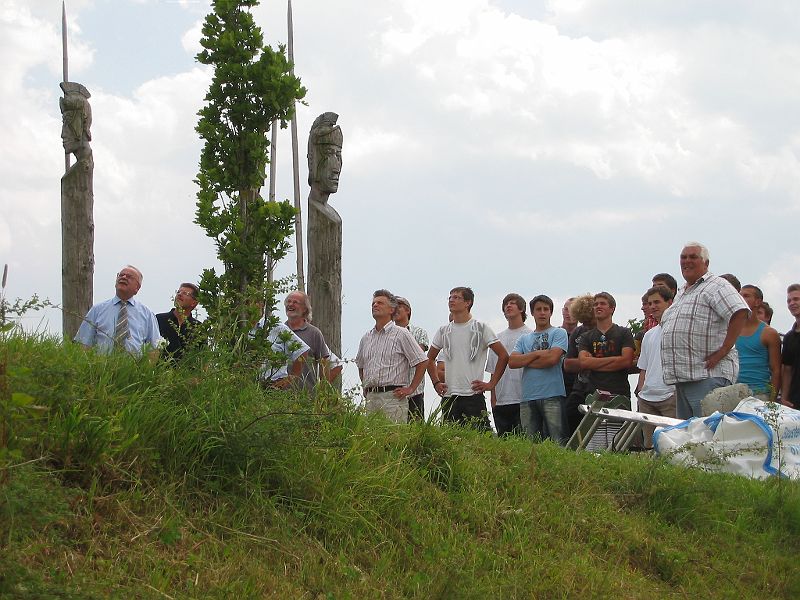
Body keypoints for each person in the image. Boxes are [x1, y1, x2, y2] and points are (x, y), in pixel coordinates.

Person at [660, 242, 749, 419]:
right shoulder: (682, 292)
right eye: (683, 257)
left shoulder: (716, 285)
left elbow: (740, 312)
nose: (687, 261)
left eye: (693, 257)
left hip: (708, 376)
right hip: (684, 379)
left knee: (708, 431)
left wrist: (724, 349)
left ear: (706, 263)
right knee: (690, 433)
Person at [428, 287, 508, 431]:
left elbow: (503, 355)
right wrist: (436, 382)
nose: (451, 300)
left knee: (480, 437)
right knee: (450, 438)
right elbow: (429, 358)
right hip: (449, 395)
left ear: (467, 302)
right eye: (450, 297)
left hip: (473, 394)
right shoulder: (443, 330)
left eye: (456, 297)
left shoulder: (481, 328)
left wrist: (491, 384)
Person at [355, 290, 428, 423]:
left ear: (391, 309)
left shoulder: (401, 334)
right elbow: (360, 365)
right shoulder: (366, 338)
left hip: (393, 397)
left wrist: (411, 388)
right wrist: (365, 385)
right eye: (373, 303)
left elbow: (422, 361)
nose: (375, 305)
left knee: (393, 434)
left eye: (380, 303)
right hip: (371, 397)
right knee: (372, 435)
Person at [509, 295, 568, 443]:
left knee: (558, 442)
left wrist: (526, 360)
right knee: (530, 444)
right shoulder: (524, 338)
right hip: (528, 397)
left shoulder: (559, 333)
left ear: (550, 312)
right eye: (538, 309)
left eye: (546, 309)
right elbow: (513, 362)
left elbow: (552, 359)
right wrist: (537, 354)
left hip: (553, 395)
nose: (542, 313)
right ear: (532, 313)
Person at [74, 265, 160, 358]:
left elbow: (154, 348)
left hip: (134, 366)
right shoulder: (97, 310)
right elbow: (83, 344)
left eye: (129, 276)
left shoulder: (147, 314)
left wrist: (146, 367)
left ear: (137, 288)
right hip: (101, 365)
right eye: (121, 275)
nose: (124, 277)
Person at [635, 286, 676, 449]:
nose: (653, 306)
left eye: (657, 302)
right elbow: (643, 367)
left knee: (672, 445)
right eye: (650, 303)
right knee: (649, 447)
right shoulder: (649, 334)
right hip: (647, 398)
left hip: (670, 395)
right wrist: (640, 392)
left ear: (670, 302)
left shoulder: (677, 329)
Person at [577, 292, 635, 406]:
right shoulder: (586, 337)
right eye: (596, 304)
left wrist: (594, 362)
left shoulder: (624, 333)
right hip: (594, 393)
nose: (598, 306)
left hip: (619, 393)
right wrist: (616, 360)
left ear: (612, 309)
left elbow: (626, 361)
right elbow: (584, 362)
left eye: (603, 303)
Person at [486, 293, 531, 436]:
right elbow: (493, 370)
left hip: (523, 398)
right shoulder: (497, 338)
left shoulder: (530, 335)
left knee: (524, 440)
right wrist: (493, 399)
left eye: (512, 303)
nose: (508, 306)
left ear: (521, 309)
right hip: (501, 400)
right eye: (506, 304)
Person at [735, 285, 781, 399]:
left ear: (757, 302)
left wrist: (772, 401)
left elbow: (776, 370)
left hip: (759, 393)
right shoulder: (731, 330)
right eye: (739, 295)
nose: (741, 298)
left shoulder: (769, 333)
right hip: (733, 392)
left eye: (746, 296)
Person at [563, 294, 597, 435]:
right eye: (583, 322)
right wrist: (591, 362)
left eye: (589, 321)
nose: (586, 325)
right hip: (580, 387)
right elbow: (567, 364)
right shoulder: (578, 332)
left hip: (601, 387)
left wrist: (589, 362)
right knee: (569, 417)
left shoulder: (606, 331)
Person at [284, 290, 331, 390]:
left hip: (307, 395)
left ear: (305, 309)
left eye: (295, 302)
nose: (290, 304)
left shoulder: (314, 333)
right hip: (280, 395)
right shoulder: (279, 332)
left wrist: (323, 391)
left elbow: (324, 363)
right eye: (288, 301)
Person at [393, 296, 429, 421]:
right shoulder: (385, 334)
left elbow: (417, 356)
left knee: (414, 427)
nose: (395, 309)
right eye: (393, 307)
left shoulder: (419, 332)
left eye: (399, 306)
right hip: (393, 393)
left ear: (407, 310)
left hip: (414, 392)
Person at [156, 283, 205, 362]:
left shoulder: (198, 328)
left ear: (194, 303)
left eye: (185, 293)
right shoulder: (159, 319)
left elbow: (203, 359)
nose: (179, 294)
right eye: (178, 292)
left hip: (185, 369)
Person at [781, 284, 800, 409]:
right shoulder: (788, 337)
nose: (792, 303)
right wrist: (784, 398)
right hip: (795, 401)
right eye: (789, 301)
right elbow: (787, 370)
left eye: (796, 299)